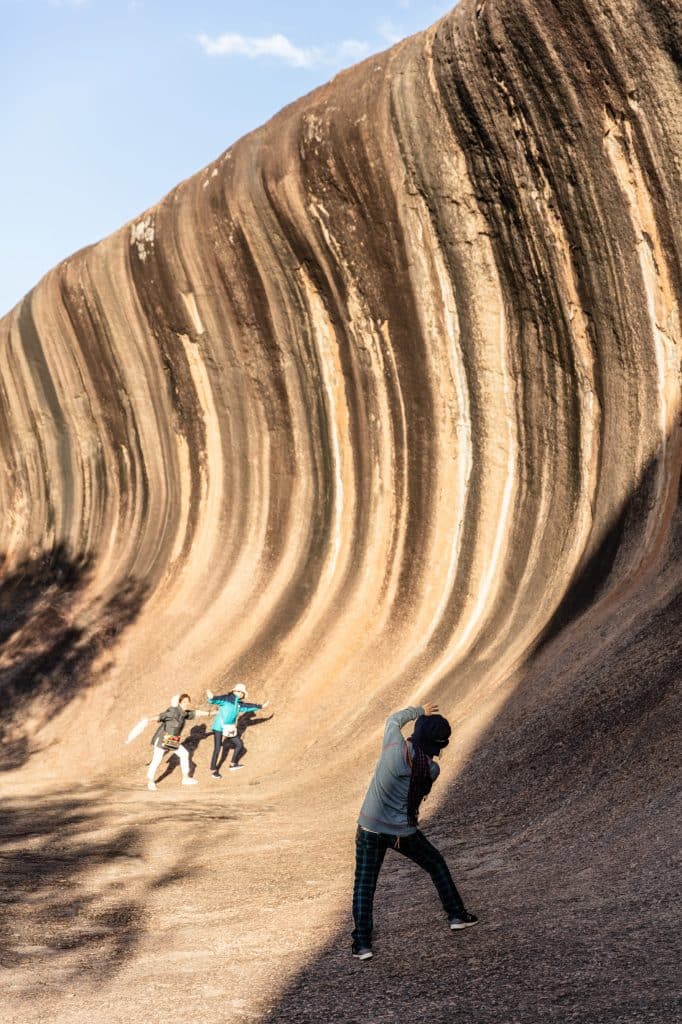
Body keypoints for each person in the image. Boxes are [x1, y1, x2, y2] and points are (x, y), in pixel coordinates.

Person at [351, 702, 477, 960]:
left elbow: (393, 720)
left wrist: (420, 711)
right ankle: (456, 915)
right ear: (439, 746)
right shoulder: (431, 770)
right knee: (436, 864)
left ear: (416, 733)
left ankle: (362, 944)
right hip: (402, 832)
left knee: (365, 885)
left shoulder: (394, 748)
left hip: (370, 827)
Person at [145, 694, 211, 791]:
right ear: (179, 703)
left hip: (171, 739)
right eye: (184, 702)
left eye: (188, 702)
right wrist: (148, 720)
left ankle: (185, 779)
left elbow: (196, 713)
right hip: (162, 738)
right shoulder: (173, 711)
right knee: (156, 760)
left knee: (184, 754)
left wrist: (211, 713)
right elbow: (161, 716)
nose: (186, 704)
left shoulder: (184, 713)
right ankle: (150, 781)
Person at [205, 683, 270, 777]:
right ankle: (213, 770)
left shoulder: (239, 704)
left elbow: (248, 707)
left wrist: (261, 706)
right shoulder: (227, 698)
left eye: (242, 692)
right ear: (234, 691)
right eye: (238, 691)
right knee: (218, 748)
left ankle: (233, 764)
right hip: (219, 727)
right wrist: (211, 697)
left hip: (229, 728)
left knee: (239, 745)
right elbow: (215, 699)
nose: (240, 693)